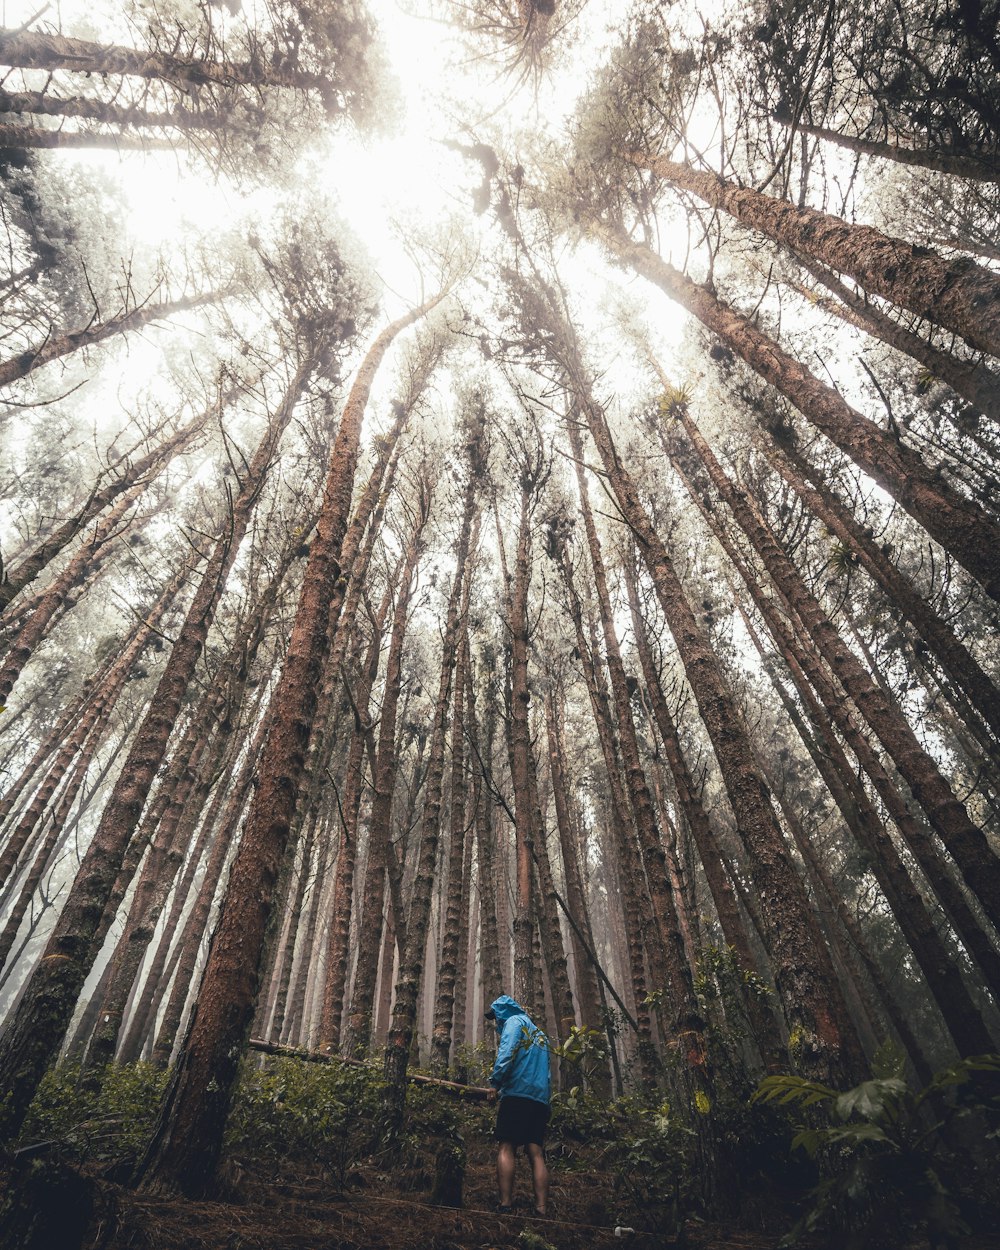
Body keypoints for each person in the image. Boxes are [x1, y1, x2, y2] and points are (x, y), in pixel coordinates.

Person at [485, 994, 551, 1217]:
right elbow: (547, 1073)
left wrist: (495, 1083)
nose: (496, 1022)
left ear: (503, 1012)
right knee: (536, 1151)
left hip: (516, 1095)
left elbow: (507, 1053)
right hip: (539, 1100)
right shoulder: (540, 1034)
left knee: (506, 1146)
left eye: (496, 1016)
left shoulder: (514, 1023)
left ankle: (505, 1204)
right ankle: (541, 1208)